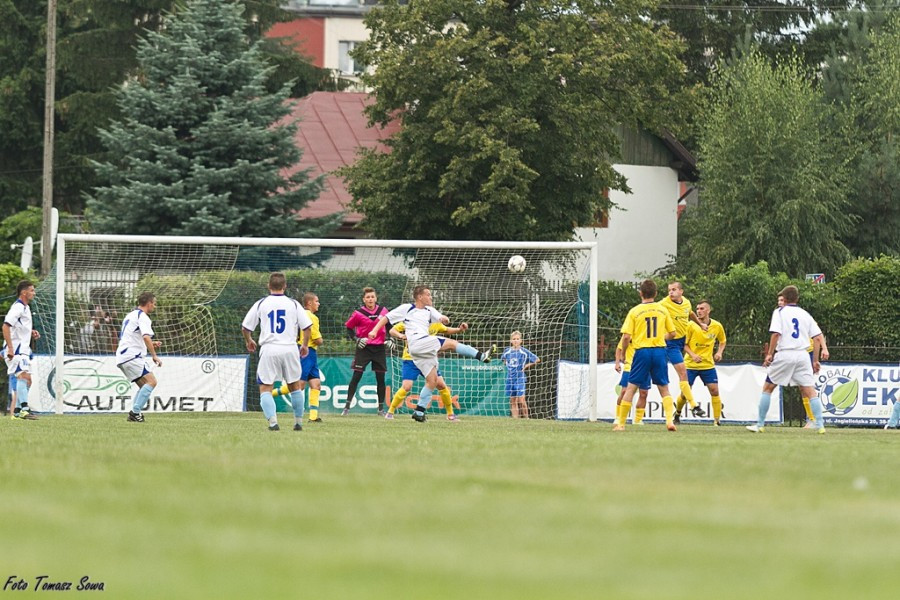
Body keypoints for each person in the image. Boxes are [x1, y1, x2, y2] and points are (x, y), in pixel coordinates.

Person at [369, 285, 496, 423]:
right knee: (452, 344)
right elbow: (385, 318)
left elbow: (441, 318)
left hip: (420, 351)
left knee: (433, 381)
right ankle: (481, 356)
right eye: (428, 294)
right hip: (417, 343)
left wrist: (445, 319)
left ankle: (419, 412)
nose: (431, 297)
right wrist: (375, 331)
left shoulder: (430, 310)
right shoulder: (407, 308)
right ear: (419, 297)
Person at [747, 285, 827, 434]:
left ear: (784, 298)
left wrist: (770, 353)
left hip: (785, 353)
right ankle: (820, 425)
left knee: (768, 388)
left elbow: (776, 334)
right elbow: (817, 337)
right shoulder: (805, 314)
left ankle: (760, 424)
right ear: (797, 298)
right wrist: (815, 361)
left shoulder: (779, 312)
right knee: (810, 391)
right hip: (803, 355)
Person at [242, 273, 311, 431]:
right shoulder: (293, 304)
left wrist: (249, 340)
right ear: (285, 286)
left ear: (269, 286)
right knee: (295, 386)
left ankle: (273, 423)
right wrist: (305, 345)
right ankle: (298, 422)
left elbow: (245, 327)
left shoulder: (261, 303)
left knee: (265, 387)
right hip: (289, 347)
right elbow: (307, 327)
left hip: (269, 348)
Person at [614, 279, 678, 432]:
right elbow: (673, 333)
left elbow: (626, 337)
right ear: (656, 294)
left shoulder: (635, 311)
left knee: (630, 389)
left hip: (642, 352)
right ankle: (669, 421)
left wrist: (623, 353)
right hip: (660, 351)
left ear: (640, 293)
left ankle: (621, 424)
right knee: (664, 388)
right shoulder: (663, 310)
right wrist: (661, 338)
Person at [385, 321, 463, 421]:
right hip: (410, 360)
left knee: (441, 385)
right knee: (406, 386)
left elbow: (447, 330)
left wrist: (459, 329)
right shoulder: (410, 321)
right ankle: (390, 412)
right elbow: (392, 330)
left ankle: (450, 414)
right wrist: (401, 335)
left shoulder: (435, 323)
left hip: (428, 360)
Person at [775, 293, 830, 428]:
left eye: (782, 300)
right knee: (803, 388)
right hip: (796, 353)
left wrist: (824, 348)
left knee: (806, 387)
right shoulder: (781, 315)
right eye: (779, 300)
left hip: (807, 352)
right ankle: (812, 419)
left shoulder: (799, 315)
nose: (780, 302)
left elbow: (818, 334)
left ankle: (814, 420)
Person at [659, 281, 707, 419]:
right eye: (669, 290)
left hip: (682, 340)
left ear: (681, 291)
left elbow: (690, 313)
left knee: (683, 376)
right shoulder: (664, 303)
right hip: (671, 343)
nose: (671, 292)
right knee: (683, 374)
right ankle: (694, 405)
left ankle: (680, 411)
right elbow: (653, 311)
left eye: (674, 289)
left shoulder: (686, 302)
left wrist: (700, 324)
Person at [341, 287, 390, 416]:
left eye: (372, 297)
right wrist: (356, 339)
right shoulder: (358, 313)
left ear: (376, 298)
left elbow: (390, 326)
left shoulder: (383, 311)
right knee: (356, 377)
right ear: (364, 299)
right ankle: (346, 408)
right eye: (368, 297)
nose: (370, 299)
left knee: (380, 378)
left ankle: (380, 409)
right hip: (364, 348)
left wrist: (390, 339)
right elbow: (349, 328)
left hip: (379, 348)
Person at [678, 300, 727, 425]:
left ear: (708, 310)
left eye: (702, 309)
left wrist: (719, 352)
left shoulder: (717, 326)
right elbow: (684, 344)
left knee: (714, 391)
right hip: (690, 364)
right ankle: (677, 413)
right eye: (697, 309)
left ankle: (717, 421)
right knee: (684, 394)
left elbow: (722, 341)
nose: (699, 311)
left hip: (707, 365)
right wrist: (693, 355)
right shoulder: (691, 325)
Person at [116, 292, 163, 422]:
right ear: (149, 303)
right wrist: (154, 355)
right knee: (152, 382)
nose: (154, 306)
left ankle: (136, 414)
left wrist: (151, 344)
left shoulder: (130, 315)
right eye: (154, 303)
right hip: (132, 356)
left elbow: (132, 337)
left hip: (122, 356)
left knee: (144, 385)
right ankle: (135, 413)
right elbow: (146, 337)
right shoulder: (143, 317)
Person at [3, 280, 41, 420]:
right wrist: (11, 348)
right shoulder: (17, 308)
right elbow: (6, 326)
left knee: (28, 380)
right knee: (23, 376)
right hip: (17, 350)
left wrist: (31, 332)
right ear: (23, 292)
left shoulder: (25, 308)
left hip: (23, 349)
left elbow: (18, 327)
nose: (34, 293)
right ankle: (24, 409)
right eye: (31, 290)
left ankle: (18, 411)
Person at [501, 331, 540, 418]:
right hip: (510, 379)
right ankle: (516, 421)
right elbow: (503, 360)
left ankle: (526, 419)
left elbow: (537, 359)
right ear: (511, 341)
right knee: (513, 401)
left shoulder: (524, 352)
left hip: (520, 379)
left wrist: (526, 365)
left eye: (517, 339)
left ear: (521, 341)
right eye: (514, 339)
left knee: (521, 400)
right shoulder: (507, 351)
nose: (516, 341)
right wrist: (508, 366)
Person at [299, 292, 324, 423]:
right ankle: (271, 394)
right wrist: (321, 340)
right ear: (309, 303)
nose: (318, 303)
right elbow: (318, 339)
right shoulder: (312, 317)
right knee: (300, 385)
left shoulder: (300, 314)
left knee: (316, 384)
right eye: (317, 301)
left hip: (310, 352)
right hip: (306, 351)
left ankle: (313, 417)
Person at [612, 337, 649, 426]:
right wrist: (617, 363)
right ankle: (618, 417)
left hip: (645, 367)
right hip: (630, 367)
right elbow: (619, 348)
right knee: (624, 391)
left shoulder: (648, 332)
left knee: (644, 393)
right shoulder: (629, 333)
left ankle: (638, 420)